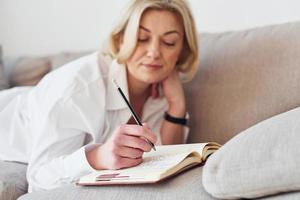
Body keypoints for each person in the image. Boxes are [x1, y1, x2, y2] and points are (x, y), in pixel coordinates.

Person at [0, 0, 199, 192]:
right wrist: (97, 157)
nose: (155, 52)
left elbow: (168, 162)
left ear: (182, 50)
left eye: (169, 42)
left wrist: (176, 106)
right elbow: (39, 181)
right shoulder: (78, 87)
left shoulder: (162, 89)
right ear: (121, 40)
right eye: (142, 38)